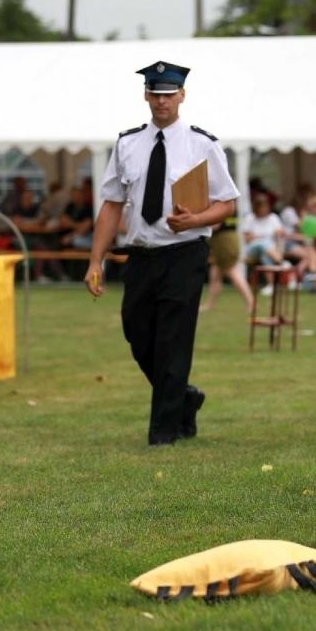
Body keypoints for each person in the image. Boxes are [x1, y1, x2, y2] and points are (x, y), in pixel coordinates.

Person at [84, 60, 239, 447]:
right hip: (141, 255)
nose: (161, 102)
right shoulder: (127, 143)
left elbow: (227, 204)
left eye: (169, 95)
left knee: (173, 339)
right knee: (137, 334)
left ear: (182, 96)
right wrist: (94, 260)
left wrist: (196, 219)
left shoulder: (203, 144)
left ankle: (163, 431)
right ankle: (183, 398)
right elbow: (111, 205)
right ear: (146, 96)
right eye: (155, 94)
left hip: (184, 253)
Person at [201, 207, 254, 315]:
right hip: (225, 240)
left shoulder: (220, 203)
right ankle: (209, 304)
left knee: (233, 273)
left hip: (224, 242)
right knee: (215, 274)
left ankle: (251, 303)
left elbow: (215, 226)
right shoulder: (230, 202)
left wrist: (198, 222)